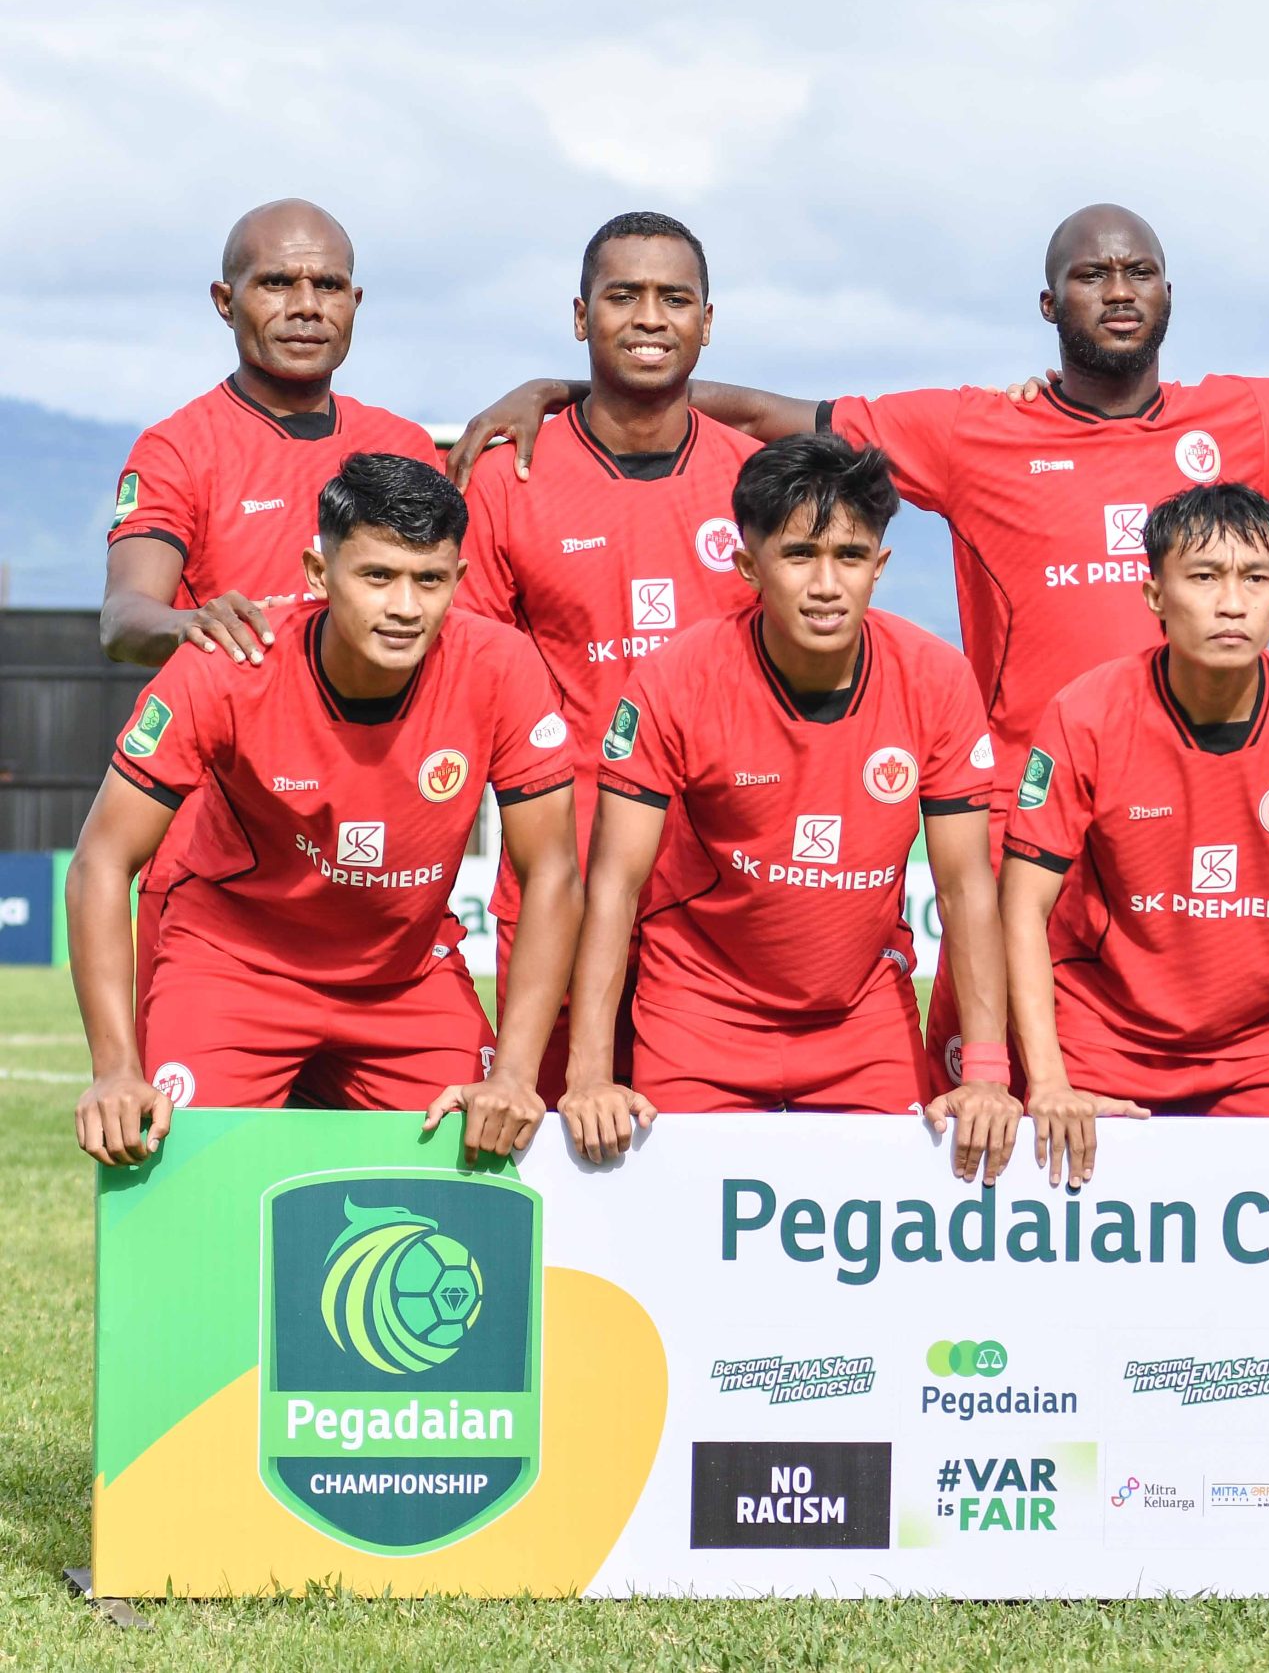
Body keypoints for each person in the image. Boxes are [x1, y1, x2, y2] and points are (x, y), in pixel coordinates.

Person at [443, 204, 1269, 1081]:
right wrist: (569, 387)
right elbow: (786, 412)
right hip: (1025, 827)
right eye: (1091, 273)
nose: (1116, 290)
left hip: (1179, 813)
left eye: (1136, 272)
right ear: (1049, 299)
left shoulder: (1245, 419)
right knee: (989, 1104)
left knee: (1166, 1078)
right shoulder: (971, 427)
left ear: (1168, 293)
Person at [68, 454, 579, 1167]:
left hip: (407, 979)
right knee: (182, 1165)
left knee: (476, 1164)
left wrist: (516, 1074)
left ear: (459, 579)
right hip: (235, 968)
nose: (406, 607)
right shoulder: (228, 664)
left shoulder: (502, 666)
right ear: (318, 572)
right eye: (377, 576)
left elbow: (553, 868)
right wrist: (115, 1070)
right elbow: (101, 859)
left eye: (430, 579)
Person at [563, 434, 1020, 1176]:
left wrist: (989, 1073)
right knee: (685, 1217)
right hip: (699, 1008)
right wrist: (589, 1074)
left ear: (880, 565)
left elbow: (966, 886)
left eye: (850, 556)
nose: (827, 584)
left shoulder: (936, 679)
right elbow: (614, 881)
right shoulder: (676, 678)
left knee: (879, 1221)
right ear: (749, 566)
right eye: (800, 554)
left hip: (861, 1013)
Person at [1000, 484, 1269, 1186]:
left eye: (1253, 578)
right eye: (1204, 577)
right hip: (1102, 1041)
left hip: (1259, 1055)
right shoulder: (1087, 712)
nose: (1231, 602)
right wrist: (1047, 1080)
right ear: (1155, 595)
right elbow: (1022, 903)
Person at [100, 201, 443, 1045]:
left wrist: (549, 390)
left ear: (355, 301)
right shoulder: (180, 446)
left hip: (373, 845)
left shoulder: (403, 444)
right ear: (226, 301)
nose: (305, 305)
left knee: (416, 1121)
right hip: (218, 851)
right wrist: (193, 624)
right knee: (191, 1119)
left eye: (327, 284)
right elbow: (123, 617)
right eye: (277, 282)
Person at [455, 211, 763, 1093]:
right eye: (624, 295)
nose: (650, 318)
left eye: (675, 298)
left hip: (720, 867)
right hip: (566, 859)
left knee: (698, 1128)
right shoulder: (506, 476)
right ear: (581, 316)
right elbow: (469, 675)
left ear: (709, 320)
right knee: (546, 1114)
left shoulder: (758, 481)